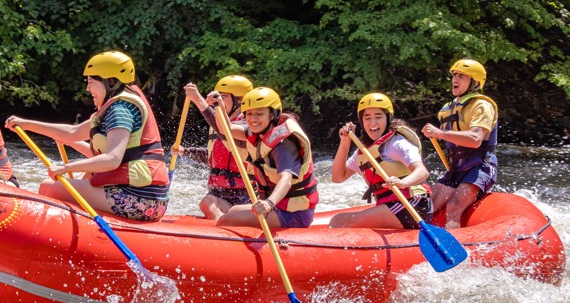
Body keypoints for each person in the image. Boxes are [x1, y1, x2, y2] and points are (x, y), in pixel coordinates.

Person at [5, 51, 170, 221]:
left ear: (111, 82)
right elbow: (72, 133)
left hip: (140, 200)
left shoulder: (120, 111)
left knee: (49, 187)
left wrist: (66, 168)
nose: (88, 88)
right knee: (87, 176)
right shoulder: (116, 107)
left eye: (91, 82)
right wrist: (25, 124)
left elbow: (112, 159)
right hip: (149, 200)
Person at [213, 87, 318, 229]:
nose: (253, 119)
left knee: (225, 221)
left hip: (294, 213)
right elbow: (227, 129)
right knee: (233, 210)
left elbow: (286, 180)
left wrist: (269, 203)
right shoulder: (258, 133)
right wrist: (219, 105)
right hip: (279, 206)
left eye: (259, 114)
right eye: (249, 114)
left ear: (272, 115)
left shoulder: (283, 145)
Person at [329, 93, 432, 229]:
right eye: (367, 118)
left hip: (413, 204)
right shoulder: (364, 151)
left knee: (340, 221)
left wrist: (403, 182)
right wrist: (345, 142)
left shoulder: (397, 143)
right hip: (390, 204)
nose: (373, 123)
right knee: (338, 220)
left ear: (388, 118)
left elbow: (422, 172)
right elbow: (338, 177)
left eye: (378, 117)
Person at [422, 59, 498, 228]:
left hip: (480, 167)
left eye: (462, 76)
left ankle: (455, 249)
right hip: (457, 169)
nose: (455, 79)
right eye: (454, 75)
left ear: (475, 82)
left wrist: (440, 133)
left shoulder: (482, 105)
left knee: (454, 206)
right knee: (427, 206)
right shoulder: (447, 109)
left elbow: (475, 139)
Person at [172, 75, 254, 220]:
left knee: (208, 202)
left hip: (245, 197)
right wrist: (185, 151)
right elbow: (215, 158)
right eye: (218, 96)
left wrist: (199, 100)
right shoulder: (218, 123)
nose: (219, 100)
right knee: (207, 202)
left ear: (240, 100)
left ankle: (225, 228)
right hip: (219, 195)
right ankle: (222, 224)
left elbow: (227, 133)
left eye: (223, 96)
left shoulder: (249, 125)